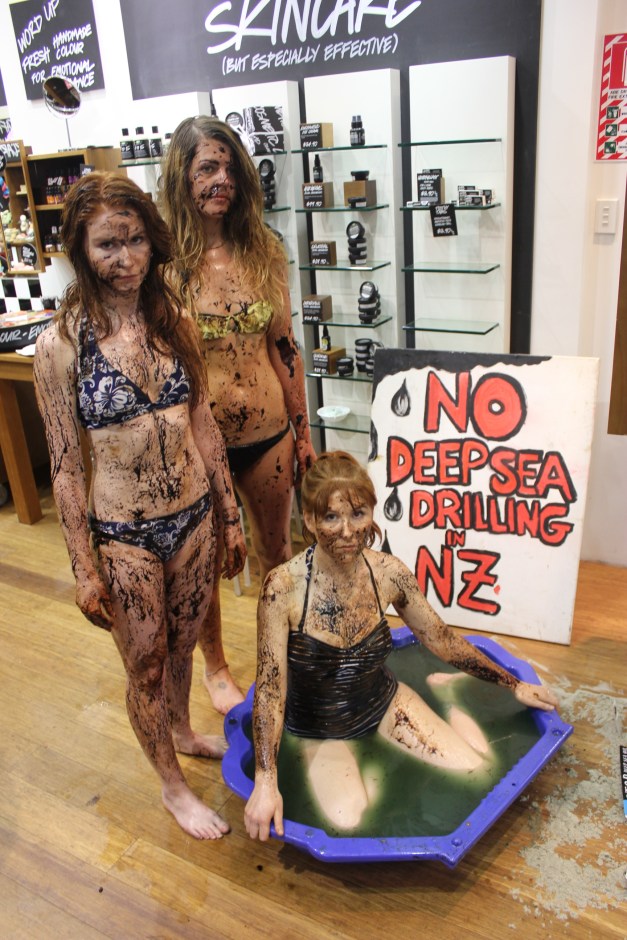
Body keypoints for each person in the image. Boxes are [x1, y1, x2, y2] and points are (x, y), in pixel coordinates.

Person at [34, 172, 247, 840]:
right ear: (80, 249)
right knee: (146, 664)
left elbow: (203, 420)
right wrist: (83, 568)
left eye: (134, 241)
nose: (124, 259)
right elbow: (65, 467)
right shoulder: (60, 345)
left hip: (194, 516)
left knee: (182, 647)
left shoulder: (172, 319)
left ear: (152, 241)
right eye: (106, 245)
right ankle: (172, 788)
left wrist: (230, 514)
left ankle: (181, 731)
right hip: (123, 534)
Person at [244, 452, 558, 840]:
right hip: (319, 727)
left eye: (358, 514)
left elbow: (441, 639)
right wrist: (266, 779)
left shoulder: (389, 573)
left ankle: (449, 695)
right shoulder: (282, 588)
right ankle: (372, 772)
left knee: (479, 770)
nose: (347, 531)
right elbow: (270, 691)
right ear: (308, 519)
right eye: (331, 517)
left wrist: (513, 684)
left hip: (384, 702)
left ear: (372, 512)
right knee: (348, 821)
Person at [160, 115, 316, 714]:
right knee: (205, 565)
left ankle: (283, 652)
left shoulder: (264, 251)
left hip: (270, 435)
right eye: (207, 167)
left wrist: (303, 430)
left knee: (278, 552)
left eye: (230, 168)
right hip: (203, 445)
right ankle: (216, 666)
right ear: (182, 177)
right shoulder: (164, 266)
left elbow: (284, 347)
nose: (221, 179)